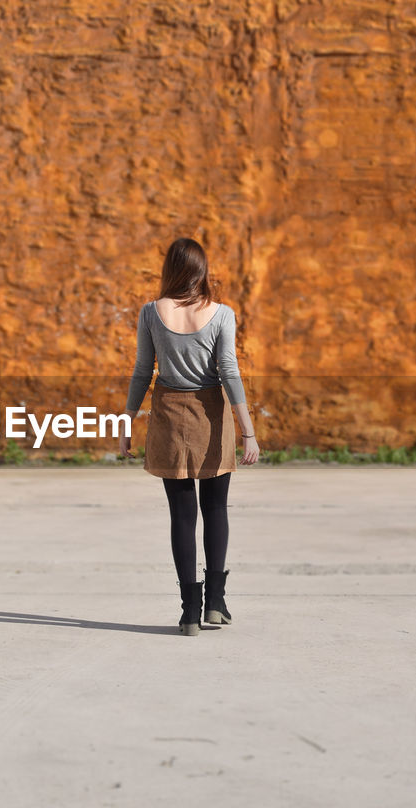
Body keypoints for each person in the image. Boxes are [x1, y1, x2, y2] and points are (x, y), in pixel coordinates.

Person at [120, 237, 259, 636]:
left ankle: (188, 613)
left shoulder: (150, 312)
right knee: (216, 509)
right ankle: (215, 604)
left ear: (170, 269)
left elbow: (142, 369)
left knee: (181, 516)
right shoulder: (222, 314)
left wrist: (127, 421)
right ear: (202, 271)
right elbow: (229, 372)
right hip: (213, 417)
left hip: (168, 416)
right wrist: (248, 432)